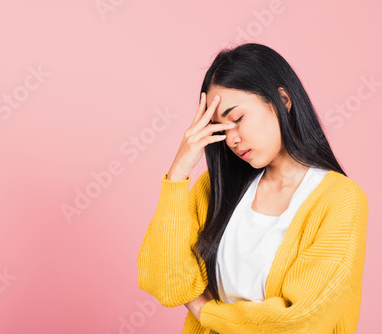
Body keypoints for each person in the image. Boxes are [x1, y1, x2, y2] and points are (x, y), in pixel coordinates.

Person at [137, 43, 369, 334]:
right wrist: (178, 172)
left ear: (282, 100)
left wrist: (205, 311)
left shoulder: (340, 199)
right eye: (220, 128)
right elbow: (163, 281)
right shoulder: (216, 188)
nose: (232, 139)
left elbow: (299, 321)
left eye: (237, 119)